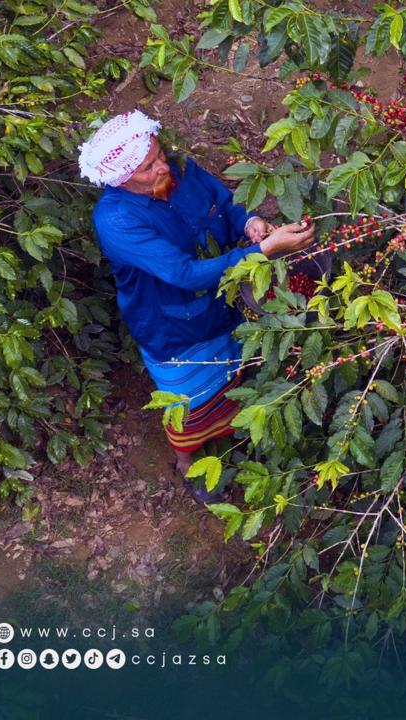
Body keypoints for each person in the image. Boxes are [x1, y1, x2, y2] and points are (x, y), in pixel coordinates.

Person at [77, 110, 316, 502]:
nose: (160, 168)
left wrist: (249, 222)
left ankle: (240, 424)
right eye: (146, 167)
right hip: (173, 326)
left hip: (224, 302)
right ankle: (187, 462)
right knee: (189, 396)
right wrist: (263, 252)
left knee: (234, 369)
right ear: (120, 178)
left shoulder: (180, 170)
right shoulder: (116, 219)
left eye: (158, 156)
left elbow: (223, 200)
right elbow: (185, 274)